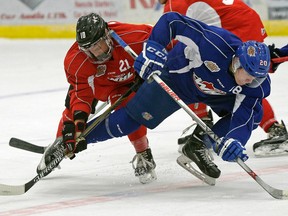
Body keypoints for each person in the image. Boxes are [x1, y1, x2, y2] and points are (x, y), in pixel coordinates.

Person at [38, 12, 273, 184]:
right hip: (177, 81)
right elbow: (171, 22)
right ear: (237, 62)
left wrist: (235, 141)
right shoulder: (214, 43)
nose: (252, 81)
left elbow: (244, 116)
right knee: (128, 121)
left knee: (256, 113)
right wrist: (155, 51)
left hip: (214, 93)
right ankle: (79, 140)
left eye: (257, 77)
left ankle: (199, 145)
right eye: (249, 75)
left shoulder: (255, 84)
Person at [36, 13, 157, 184]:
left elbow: (163, 42)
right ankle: (61, 144)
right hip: (97, 84)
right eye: (90, 50)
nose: (97, 54)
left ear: (107, 36)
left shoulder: (135, 36)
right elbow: (82, 95)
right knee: (73, 112)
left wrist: (151, 67)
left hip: (127, 82)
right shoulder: (76, 61)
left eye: (98, 46)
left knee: (130, 111)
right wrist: (77, 124)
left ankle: (143, 152)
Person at [158, 0, 288, 157]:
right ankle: (205, 129)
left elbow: (172, 43)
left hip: (236, 27)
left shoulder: (174, 3)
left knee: (243, 83)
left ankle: (273, 128)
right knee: (222, 76)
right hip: (242, 20)